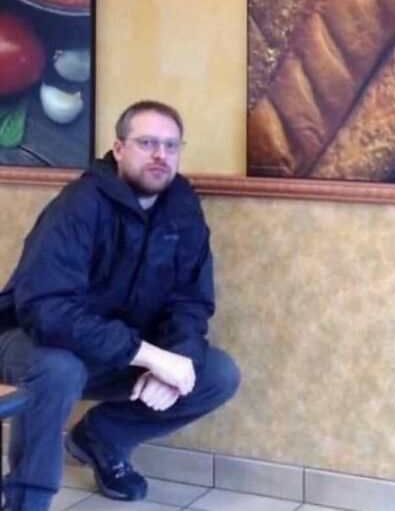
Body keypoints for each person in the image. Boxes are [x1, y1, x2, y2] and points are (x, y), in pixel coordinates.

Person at [0, 100, 240, 510]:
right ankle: (26, 500)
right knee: (58, 369)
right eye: (147, 143)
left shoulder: (182, 206)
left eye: (171, 145)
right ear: (119, 149)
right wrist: (148, 355)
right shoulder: (79, 205)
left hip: (113, 351)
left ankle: (102, 438)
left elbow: (190, 301)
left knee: (216, 373)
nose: (160, 155)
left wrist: (175, 359)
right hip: (27, 343)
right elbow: (46, 311)